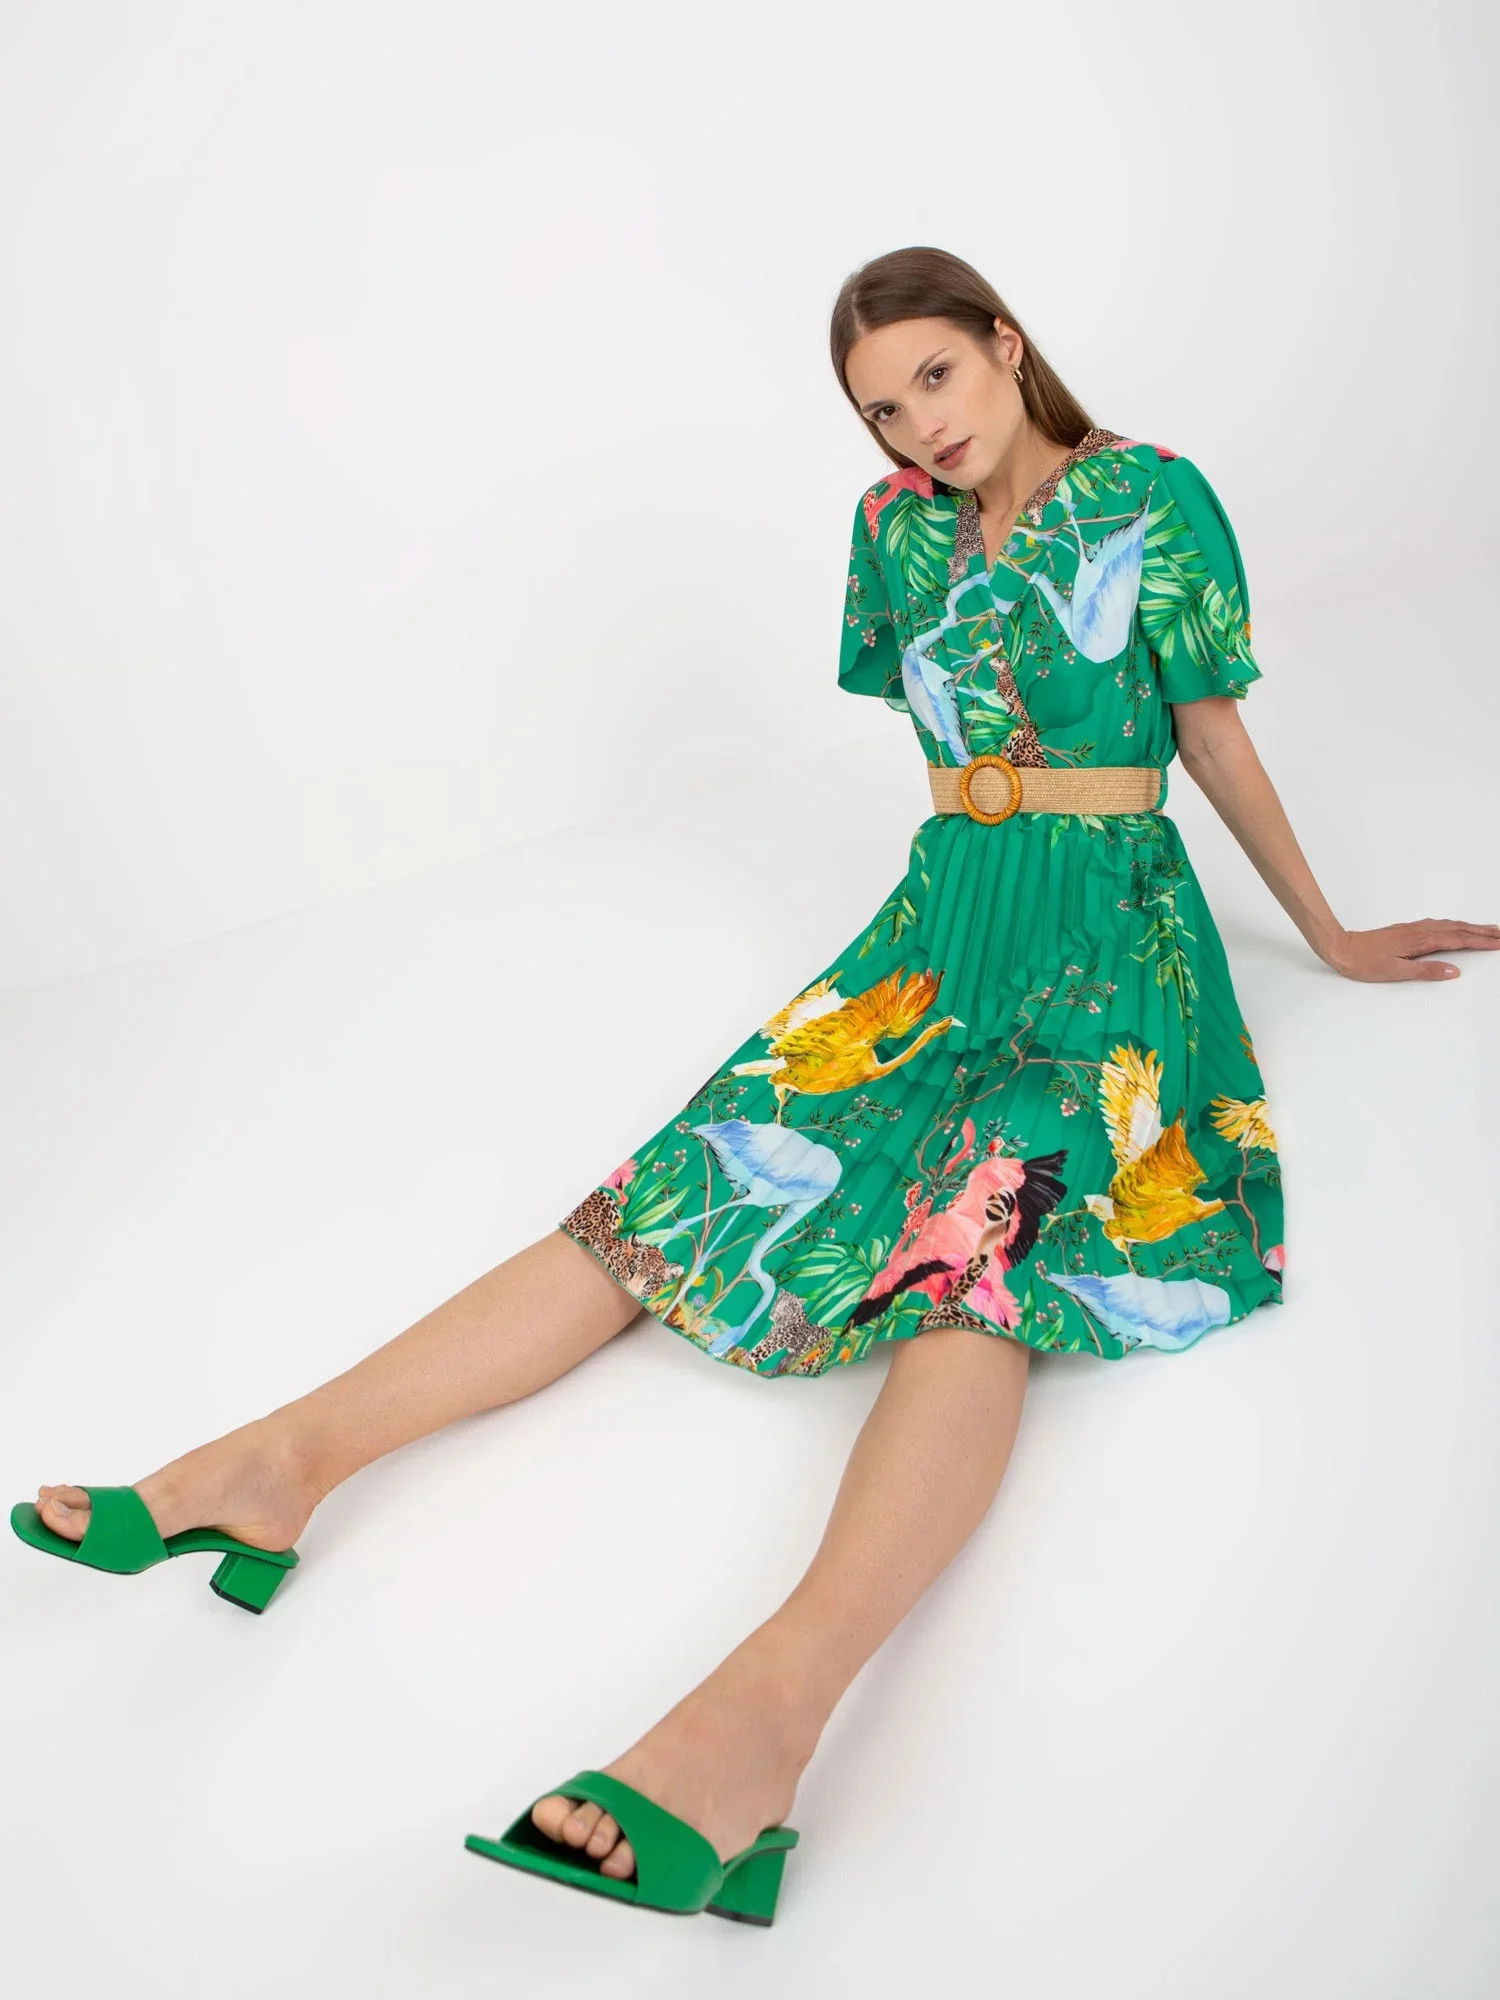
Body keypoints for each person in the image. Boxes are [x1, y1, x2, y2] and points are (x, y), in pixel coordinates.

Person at [14, 245, 1498, 1924]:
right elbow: (954, 744)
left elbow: (1210, 735)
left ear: (1006, 345)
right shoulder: (892, 530)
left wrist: (1328, 931)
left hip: (1112, 946)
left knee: (980, 1243)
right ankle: (279, 1464)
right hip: (941, 928)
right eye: (881, 408)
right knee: (679, 1184)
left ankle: (763, 1725)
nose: (918, 425)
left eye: (936, 375)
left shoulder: (1154, 496)